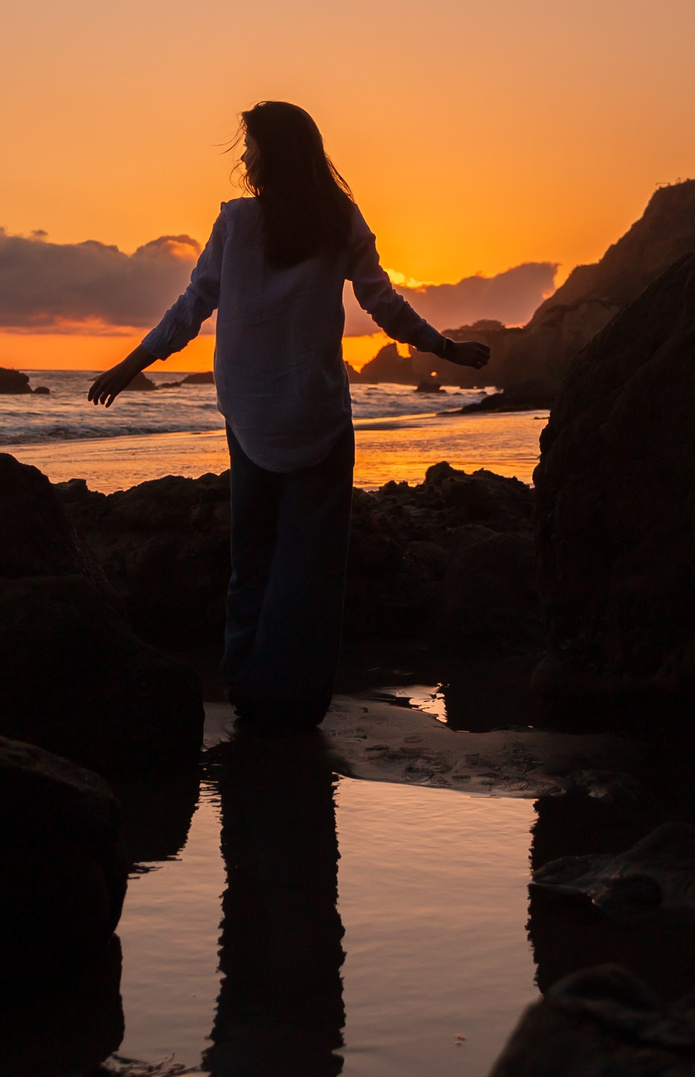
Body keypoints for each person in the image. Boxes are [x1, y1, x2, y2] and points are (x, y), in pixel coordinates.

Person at [89, 101, 490, 731]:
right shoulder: (339, 219)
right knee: (311, 569)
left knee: (252, 558)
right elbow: (383, 303)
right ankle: (296, 702)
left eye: (249, 145)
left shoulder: (237, 222)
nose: (244, 158)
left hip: (250, 413)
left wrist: (132, 362)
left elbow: (192, 306)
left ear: (274, 151)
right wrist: (444, 348)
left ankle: (246, 686)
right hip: (316, 412)